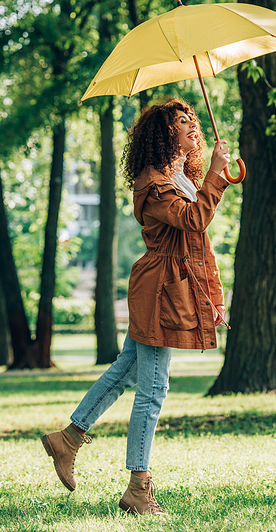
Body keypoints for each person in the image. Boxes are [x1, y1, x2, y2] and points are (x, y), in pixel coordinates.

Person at [41, 99, 230, 516]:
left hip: (172, 286)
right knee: (153, 389)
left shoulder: (180, 175)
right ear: (164, 133)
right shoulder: (153, 181)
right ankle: (138, 489)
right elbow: (195, 219)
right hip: (158, 289)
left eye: (193, 121)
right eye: (182, 123)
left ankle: (68, 438)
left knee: (126, 369)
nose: (192, 128)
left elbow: (199, 245)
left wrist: (213, 297)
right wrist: (217, 175)